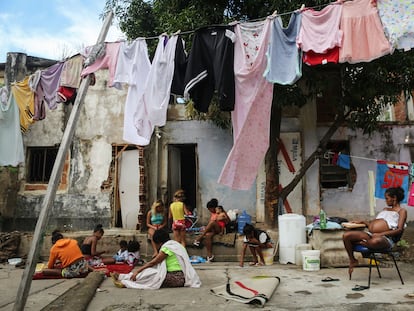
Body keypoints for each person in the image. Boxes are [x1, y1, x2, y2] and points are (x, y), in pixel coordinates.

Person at [342, 187, 407, 280]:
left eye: (387, 198)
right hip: (371, 235)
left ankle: (360, 243)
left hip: (386, 239)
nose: (386, 201)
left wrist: (381, 234)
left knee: (376, 241)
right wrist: (364, 222)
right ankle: (353, 260)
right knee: (346, 236)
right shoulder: (385, 209)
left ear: (394, 198)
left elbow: (399, 229)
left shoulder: (402, 211)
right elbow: (375, 225)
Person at [110, 229, 201, 289]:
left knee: (149, 276)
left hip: (176, 278)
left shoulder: (167, 247)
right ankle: (122, 276)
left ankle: (125, 282)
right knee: (150, 273)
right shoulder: (174, 245)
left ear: (159, 242)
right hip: (179, 277)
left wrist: (138, 271)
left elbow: (153, 262)